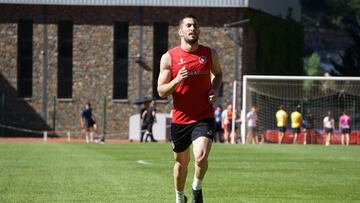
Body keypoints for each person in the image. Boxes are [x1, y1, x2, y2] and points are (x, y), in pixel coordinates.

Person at [157, 14, 222, 203]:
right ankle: (179, 197)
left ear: (199, 30)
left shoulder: (210, 54)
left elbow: (217, 74)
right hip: (180, 118)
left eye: (195, 26)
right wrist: (177, 80)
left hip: (204, 115)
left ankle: (196, 188)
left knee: (200, 156)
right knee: (181, 163)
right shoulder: (169, 57)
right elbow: (161, 91)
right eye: (188, 26)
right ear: (180, 31)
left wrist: (215, 90)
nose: (192, 28)